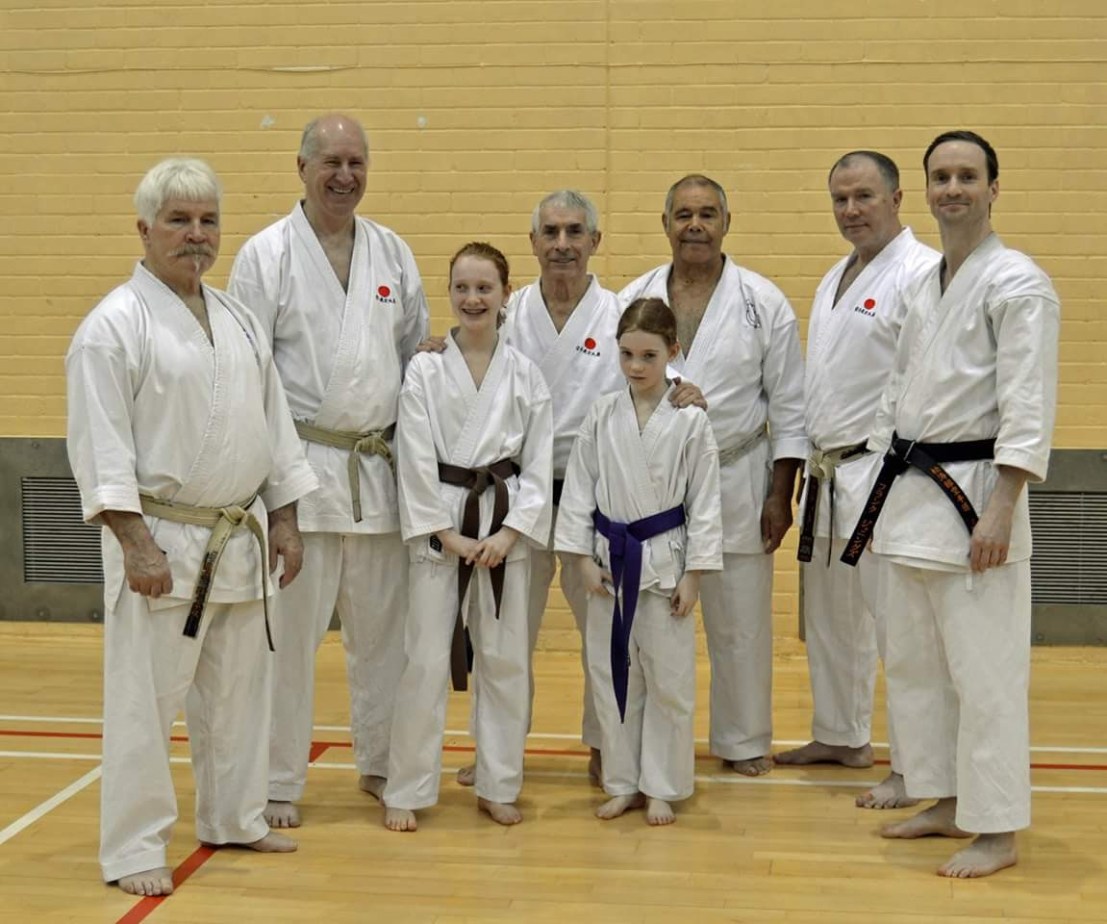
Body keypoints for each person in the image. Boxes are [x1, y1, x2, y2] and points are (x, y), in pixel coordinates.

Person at [66, 158, 319, 896]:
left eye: (208, 220)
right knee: (145, 706)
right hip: (163, 543)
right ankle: (134, 848)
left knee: (239, 693)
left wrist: (286, 519)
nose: (196, 234)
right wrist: (135, 542)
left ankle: (235, 816)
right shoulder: (112, 327)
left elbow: (274, 428)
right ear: (144, 229)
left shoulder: (236, 316)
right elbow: (101, 449)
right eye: (179, 220)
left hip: (238, 540)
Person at [432, 191, 704, 789]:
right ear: (532, 242)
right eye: (550, 232)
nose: (562, 244)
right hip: (516, 495)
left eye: (574, 232)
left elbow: (658, 371)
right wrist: (438, 346)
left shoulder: (618, 312)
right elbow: (467, 346)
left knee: (605, 632)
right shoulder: (509, 311)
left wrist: (685, 389)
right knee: (503, 631)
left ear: (594, 241)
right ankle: (496, 751)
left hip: (598, 499)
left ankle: (607, 746)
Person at [843, 131, 1059, 877]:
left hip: (975, 501)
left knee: (984, 676)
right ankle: (942, 796)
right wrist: (874, 499)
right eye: (941, 177)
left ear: (994, 188)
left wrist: (1003, 505)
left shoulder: (1018, 283)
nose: (952, 189)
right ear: (927, 190)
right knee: (915, 666)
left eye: (967, 176)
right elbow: (894, 396)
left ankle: (996, 830)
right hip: (908, 498)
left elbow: (1027, 404)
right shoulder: (922, 286)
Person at [228, 113, 429, 828]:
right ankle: (278, 779)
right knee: (289, 642)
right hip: (301, 472)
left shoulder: (392, 252)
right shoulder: (265, 255)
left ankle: (382, 763)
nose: (344, 176)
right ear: (302, 168)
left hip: (377, 473)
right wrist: (274, 497)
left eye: (356, 162)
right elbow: (248, 376)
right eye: (331, 162)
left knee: (384, 638)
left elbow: (414, 363)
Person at [618, 175, 807, 776]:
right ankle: (646, 743)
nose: (694, 225)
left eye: (707, 214)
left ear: (727, 223)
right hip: (653, 487)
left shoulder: (762, 301)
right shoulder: (636, 296)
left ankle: (743, 740)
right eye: (683, 215)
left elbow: (789, 405)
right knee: (651, 621)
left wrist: (780, 493)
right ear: (665, 223)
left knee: (741, 622)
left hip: (737, 475)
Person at [774, 152, 939, 810]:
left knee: (898, 628)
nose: (850, 210)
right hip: (829, 474)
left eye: (864, 196)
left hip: (881, 472)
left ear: (896, 198)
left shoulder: (922, 272)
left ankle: (915, 766)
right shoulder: (835, 276)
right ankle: (841, 735)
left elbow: (924, 383)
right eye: (840, 198)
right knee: (831, 618)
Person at [382, 242, 553, 832]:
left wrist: (510, 533)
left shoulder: (525, 373)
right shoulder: (425, 369)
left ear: (506, 294)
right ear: (449, 292)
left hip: (505, 527)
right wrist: (445, 534)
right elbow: (412, 456)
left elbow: (538, 463)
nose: (473, 298)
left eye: (485, 288)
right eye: (462, 287)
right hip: (443, 526)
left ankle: (498, 783)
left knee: (504, 661)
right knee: (425, 660)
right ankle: (406, 788)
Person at [555, 297, 723, 825]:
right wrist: (580, 559)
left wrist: (695, 575)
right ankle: (623, 781)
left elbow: (705, 502)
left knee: (668, 681)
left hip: (665, 563)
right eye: (626, 354)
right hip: (608, 562)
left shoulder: (691, 420)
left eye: (649, 355)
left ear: (673, 351)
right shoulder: (602, 413)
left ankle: (662, 786)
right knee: (610, 676)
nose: (636, 366)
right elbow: (579, 489)